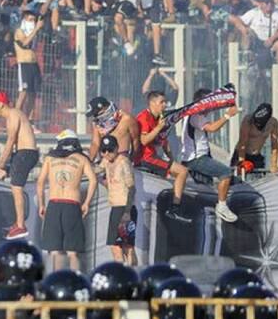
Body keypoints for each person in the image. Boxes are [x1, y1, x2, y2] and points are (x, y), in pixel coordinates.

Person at [36, 130, 97, 271]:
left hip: (54, 204)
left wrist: (41, 204)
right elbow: (93, 181)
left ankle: (57, 280)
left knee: (55, 251)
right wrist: (86, 202)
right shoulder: (82, 159)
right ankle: (75, 280)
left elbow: (40, 182)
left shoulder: (50, 159)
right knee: (72, 252)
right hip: (72, 204)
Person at [180, 89, 239, 223]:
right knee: (226, 173)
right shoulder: (196, 116)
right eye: (210, 102)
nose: (212, 106)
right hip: (196, 159)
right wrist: (227, 116)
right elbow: (212, 128)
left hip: (199, 157)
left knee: (226, 182)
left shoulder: (191, 114)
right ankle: (222, 206)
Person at [0, 90, 39, 240]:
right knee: (9, 180)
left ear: (0, 104)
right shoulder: (13, 114)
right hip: (23, 154)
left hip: (25, 153)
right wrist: (4, 167)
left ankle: (21, 225)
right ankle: (17, 223)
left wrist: (1, 162)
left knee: (16, 188)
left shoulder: (13, 115)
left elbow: (11, 141)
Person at [136, 90, 190, 223]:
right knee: (183, 172)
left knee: (178, 171)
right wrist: (158, 128)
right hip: (145, 158)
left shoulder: (160, 118)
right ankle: (175, 208)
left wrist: (172, 159)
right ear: (152, 103)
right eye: (162, 102)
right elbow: (144, 140)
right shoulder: (144, 117)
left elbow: (164, 142)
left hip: (155, 156)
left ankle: (167, 206)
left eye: (165, 102)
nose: (165, 105)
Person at [98, 135, 137, 266]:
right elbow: (95, 170)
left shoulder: (123, 161)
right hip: (115, 207)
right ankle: (122, 270)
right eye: (104, 151)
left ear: (117, 149)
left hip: (125, 207)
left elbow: (131, 187)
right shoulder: (106, 162)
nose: (107, 154)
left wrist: (127, 211)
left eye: (110, 150)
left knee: (127, 247)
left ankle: (132, 273)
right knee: (115, 246)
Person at [86, 96, 140, 162]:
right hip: (105, 160)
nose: (97, 117)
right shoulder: (97, 124)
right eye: (94, 115)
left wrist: (132, 160)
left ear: (105, 109)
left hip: (122, 159)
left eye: (98, 114)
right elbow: (95, 143)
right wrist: (89, 162)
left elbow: (135, 141)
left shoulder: (127, 119)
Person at [232, 102, 278, 174]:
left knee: (260, 180)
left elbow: (274, 144)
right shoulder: (248, 120)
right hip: (241, 154)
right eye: (256, 122)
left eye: (260, 123)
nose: (257, 124)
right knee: (235, 180)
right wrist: (241, 162)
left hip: (256, 155)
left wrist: (274, 164)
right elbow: (243, 143)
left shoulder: (273, 123)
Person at [14, 11, 45, 122]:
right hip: (24, 64)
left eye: (34, 20)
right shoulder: (19, 32)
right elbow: (25, 43)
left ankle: (29, 120)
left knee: (33, 93)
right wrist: (36, 29)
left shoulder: (33, 34)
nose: (33, 23)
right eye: (31, 20)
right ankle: (15, 119)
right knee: (23, 92)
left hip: (33, 64)